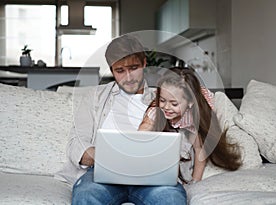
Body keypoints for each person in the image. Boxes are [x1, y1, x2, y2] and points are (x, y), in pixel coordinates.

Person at [62, 35, 187, 205]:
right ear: (112, 70)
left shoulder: (164, 98)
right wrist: (111, 158)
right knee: (86, 196)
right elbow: (76, 143)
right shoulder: (94, 97)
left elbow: (184, 139)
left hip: (151, 174)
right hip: (103, 174)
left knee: (170, 198)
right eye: (120, 71)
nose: (128, 78)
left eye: (133, 67)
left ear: (144, 63)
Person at [138, 67, 242, 184]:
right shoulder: (156, 109)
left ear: (190, 102)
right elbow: (142, 132)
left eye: (174, 103)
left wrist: (195, 181)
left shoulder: (194, 116)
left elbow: (200, 151)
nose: (166, 107)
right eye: (162, 100)